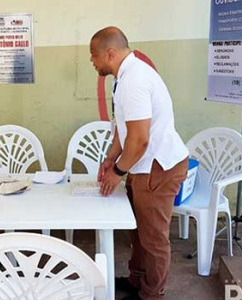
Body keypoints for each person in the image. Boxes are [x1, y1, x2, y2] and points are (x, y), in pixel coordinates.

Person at [90, 27, 189, 300]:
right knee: (138, 232)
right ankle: (137, 281)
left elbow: (141, 139)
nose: (92, 62)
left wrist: (118, 172)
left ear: (110, 53)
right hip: (141, 165)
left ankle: (151, 294)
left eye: (93, 56)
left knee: (154, 239)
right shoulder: (121, 78)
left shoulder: (134, 80)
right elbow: (124, 130)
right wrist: (110, 159)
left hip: (158, 166)